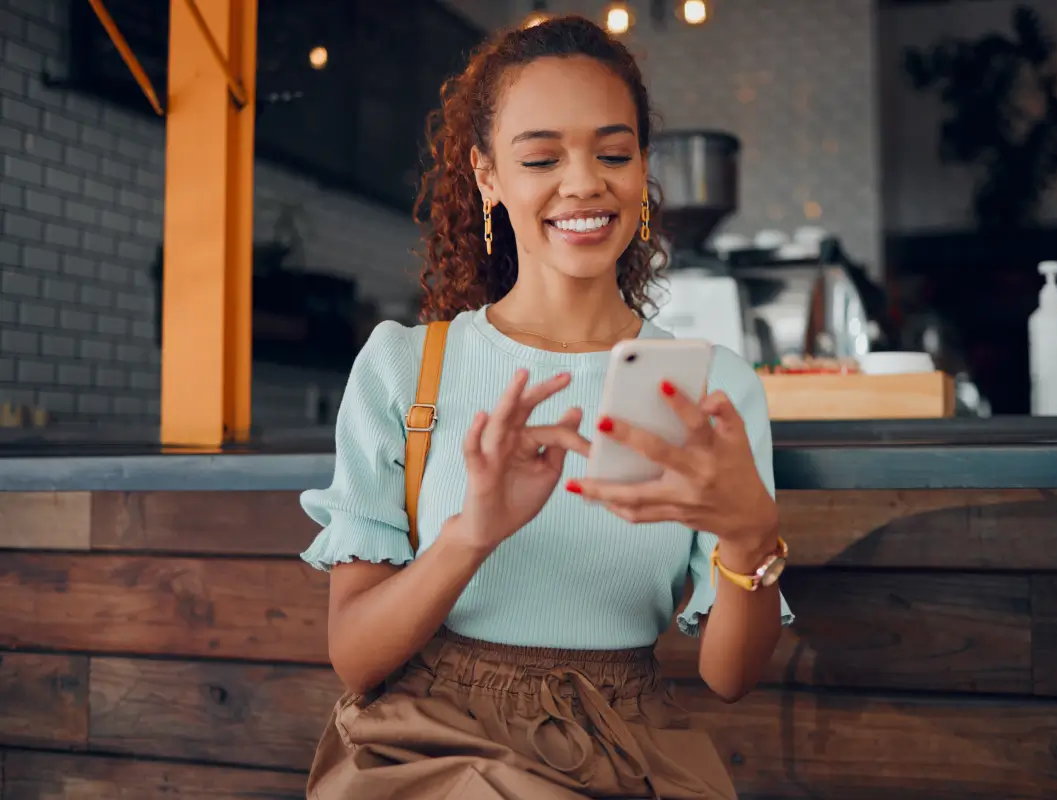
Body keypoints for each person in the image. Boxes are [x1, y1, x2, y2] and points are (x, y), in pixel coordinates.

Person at [298, 15, 793, 800]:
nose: (584, 182)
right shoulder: (406, 368)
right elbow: (356, 657)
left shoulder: (710, 388)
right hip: (432, 748)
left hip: (629, 747)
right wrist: (472, 534)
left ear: (640, 171)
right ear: (487, 176)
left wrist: (749, 535)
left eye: (613, 153)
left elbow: (730, 677)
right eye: (540, 157)